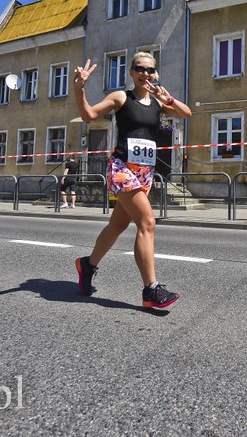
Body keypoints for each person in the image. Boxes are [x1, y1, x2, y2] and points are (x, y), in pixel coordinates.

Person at [72, 52, 192, 309]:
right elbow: (89, 115)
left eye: (150, 70)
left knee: (117, 226)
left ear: (155, 73)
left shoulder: (158, 103)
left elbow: (186, 113)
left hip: (144, 173)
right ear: (131, 72)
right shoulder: (121, 97)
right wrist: (79, 89)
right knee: (147, 222)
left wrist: (167, 97)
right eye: (140, 69)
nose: (145, 74)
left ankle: (87, 265)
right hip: (121, 167)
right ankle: (151, 289)